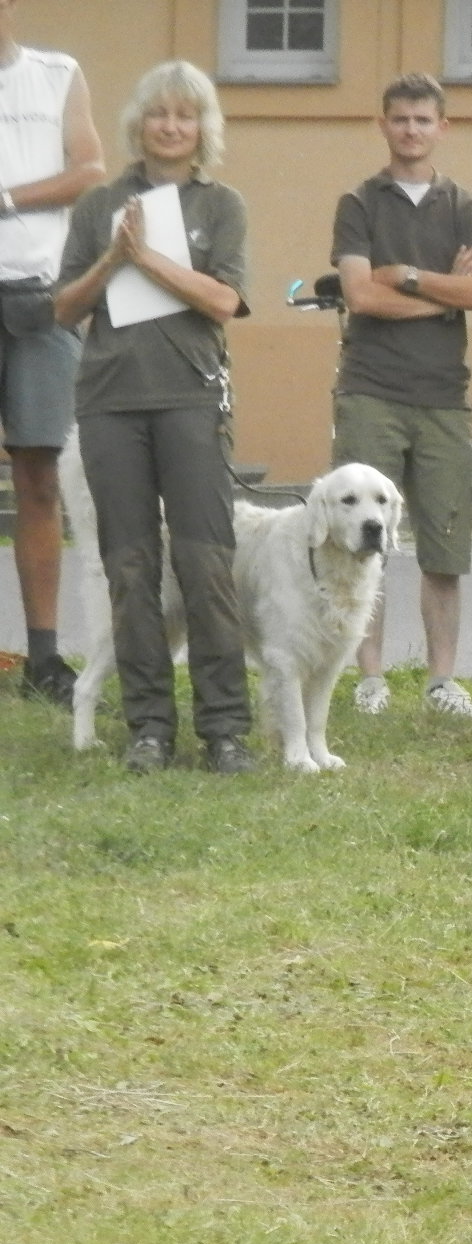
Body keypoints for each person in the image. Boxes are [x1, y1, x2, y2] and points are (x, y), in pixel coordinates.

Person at [53, 61, 251, 774]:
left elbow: (225, 301)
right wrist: (113, 257)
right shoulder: (101, 202)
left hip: (192, 399)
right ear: (140, 122)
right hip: (110, 404)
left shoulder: (221, 204)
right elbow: (65, 308)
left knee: (205, 564)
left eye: (186, 115)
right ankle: (147, 729)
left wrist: (150, 259)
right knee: (130, 568)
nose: (171, 126)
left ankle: (225, 728)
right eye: (160, 113)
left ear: (203, 128)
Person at [333, 74, 472, 719]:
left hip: (442, 397)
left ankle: (441, 682)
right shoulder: (358, 203)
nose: (411, 130)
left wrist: (404, 277)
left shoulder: (465, 207)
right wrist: (441, 293)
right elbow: (359, 297)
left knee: (445, 545)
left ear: (442, 127)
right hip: (370, 391)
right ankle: (369, 679)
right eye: (400, 119)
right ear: (383, 124)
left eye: (423, 120)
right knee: (359, 541)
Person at [0, 8, 101, 706]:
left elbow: (89, 169)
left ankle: (42, 656)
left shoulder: (56, 74)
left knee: (39, 479)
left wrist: (4, 199)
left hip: (43, 297)